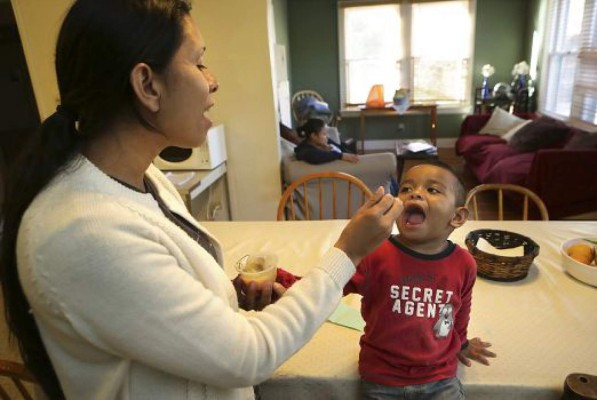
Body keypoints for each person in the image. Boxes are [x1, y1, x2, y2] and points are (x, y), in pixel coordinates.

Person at [0, 1, 403, 399]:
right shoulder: (83, 233)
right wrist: (347, 252)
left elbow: (140, 304)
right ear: (147, 85)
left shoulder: (143, 175)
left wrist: (223, 297)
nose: (212, 81)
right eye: (198, 62)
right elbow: (249, 354)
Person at [344, 160, 497, 399]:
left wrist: (463, 343)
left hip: (440, 377)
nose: (415, 193)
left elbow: (460, 310)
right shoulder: (375, 253)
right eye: (405, 189)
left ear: (457, 217)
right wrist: (282, 283)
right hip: (382, 376)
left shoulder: (464, 264)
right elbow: (330, 284)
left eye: (432, 189)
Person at [294, 118, 359, 164]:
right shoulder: (303, 150)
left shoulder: (325, 142)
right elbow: (315, 156)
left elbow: (341, 148)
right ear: (313, 136)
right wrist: (341, 156)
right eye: (324, 134)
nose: (327, 136)